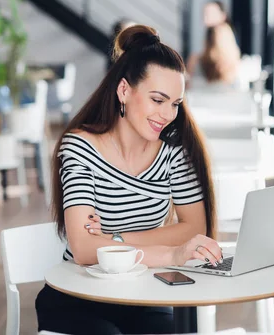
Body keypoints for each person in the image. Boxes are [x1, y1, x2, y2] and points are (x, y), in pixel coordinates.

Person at [36, 25, 222, 335]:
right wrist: (170, 251)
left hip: (144, 295)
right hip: (78, 297)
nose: (167, 115)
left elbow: (195, 229)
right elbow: (83, 250)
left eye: (175, 104)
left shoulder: (174, 153)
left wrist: (114, 239)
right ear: (124, 91)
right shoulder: (79, 147)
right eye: (157, 100)